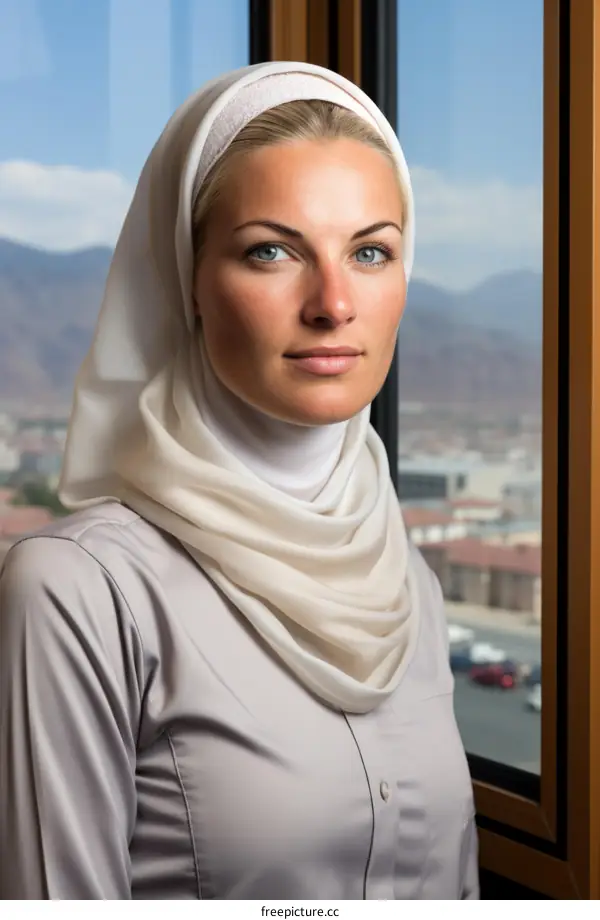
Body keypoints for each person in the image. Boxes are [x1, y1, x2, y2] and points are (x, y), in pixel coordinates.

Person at [0, 61, 479, 900]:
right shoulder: (80, 593)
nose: (333, 303)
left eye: (371, 251)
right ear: (186, 279)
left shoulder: (409, 584)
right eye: (271, 251)